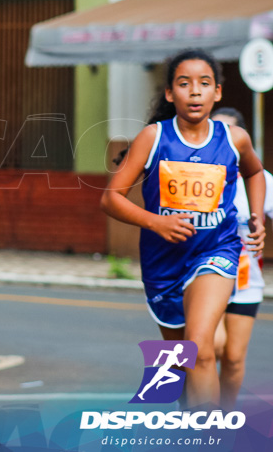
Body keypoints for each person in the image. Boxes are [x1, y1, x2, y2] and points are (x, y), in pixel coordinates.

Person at [101, 49, 265, 408]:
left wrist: (256, 216)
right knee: (180, 361)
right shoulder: (153, 138)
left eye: (204, 84)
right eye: (184, 83)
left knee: (200, 348)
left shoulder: (234, 138)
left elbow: (254, 172)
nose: (195, 91)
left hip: (216, 252)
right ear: (170, 93)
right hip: (163, 264)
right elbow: (110, 198)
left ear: (217, 93)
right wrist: (156, 221)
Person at [210, 106, 273, 409]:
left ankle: (223, 417)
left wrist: (259, 226)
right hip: (203, 275)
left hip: (246, 282)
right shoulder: (199, 176)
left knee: (234, 359)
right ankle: (195, 411)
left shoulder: (260, 179)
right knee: (213, 346)